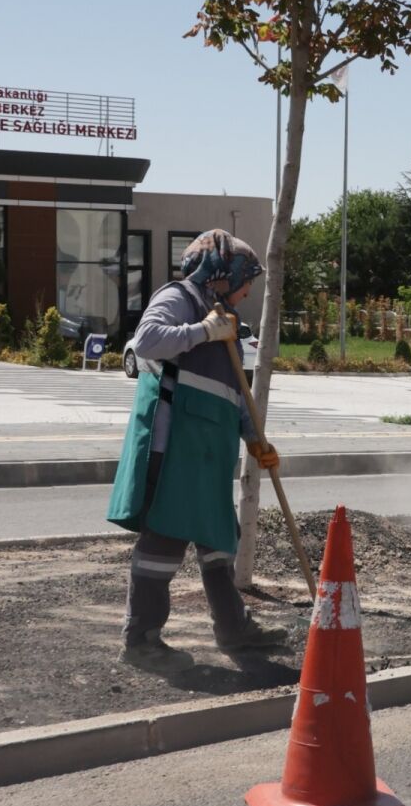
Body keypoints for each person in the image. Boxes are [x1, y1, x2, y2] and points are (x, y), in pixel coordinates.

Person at [106, 230, 288, 672]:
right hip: (175, 451)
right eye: (245, 280)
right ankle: (141, 639)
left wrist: (255, 438)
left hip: (208, 452)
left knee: (219, 542)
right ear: (222, 275)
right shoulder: (180, 298)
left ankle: (234, 629)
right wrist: (202, 331)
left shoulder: (226, 318)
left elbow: (232, 391)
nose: (248, 291)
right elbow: (148, 340)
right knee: (164, 541)